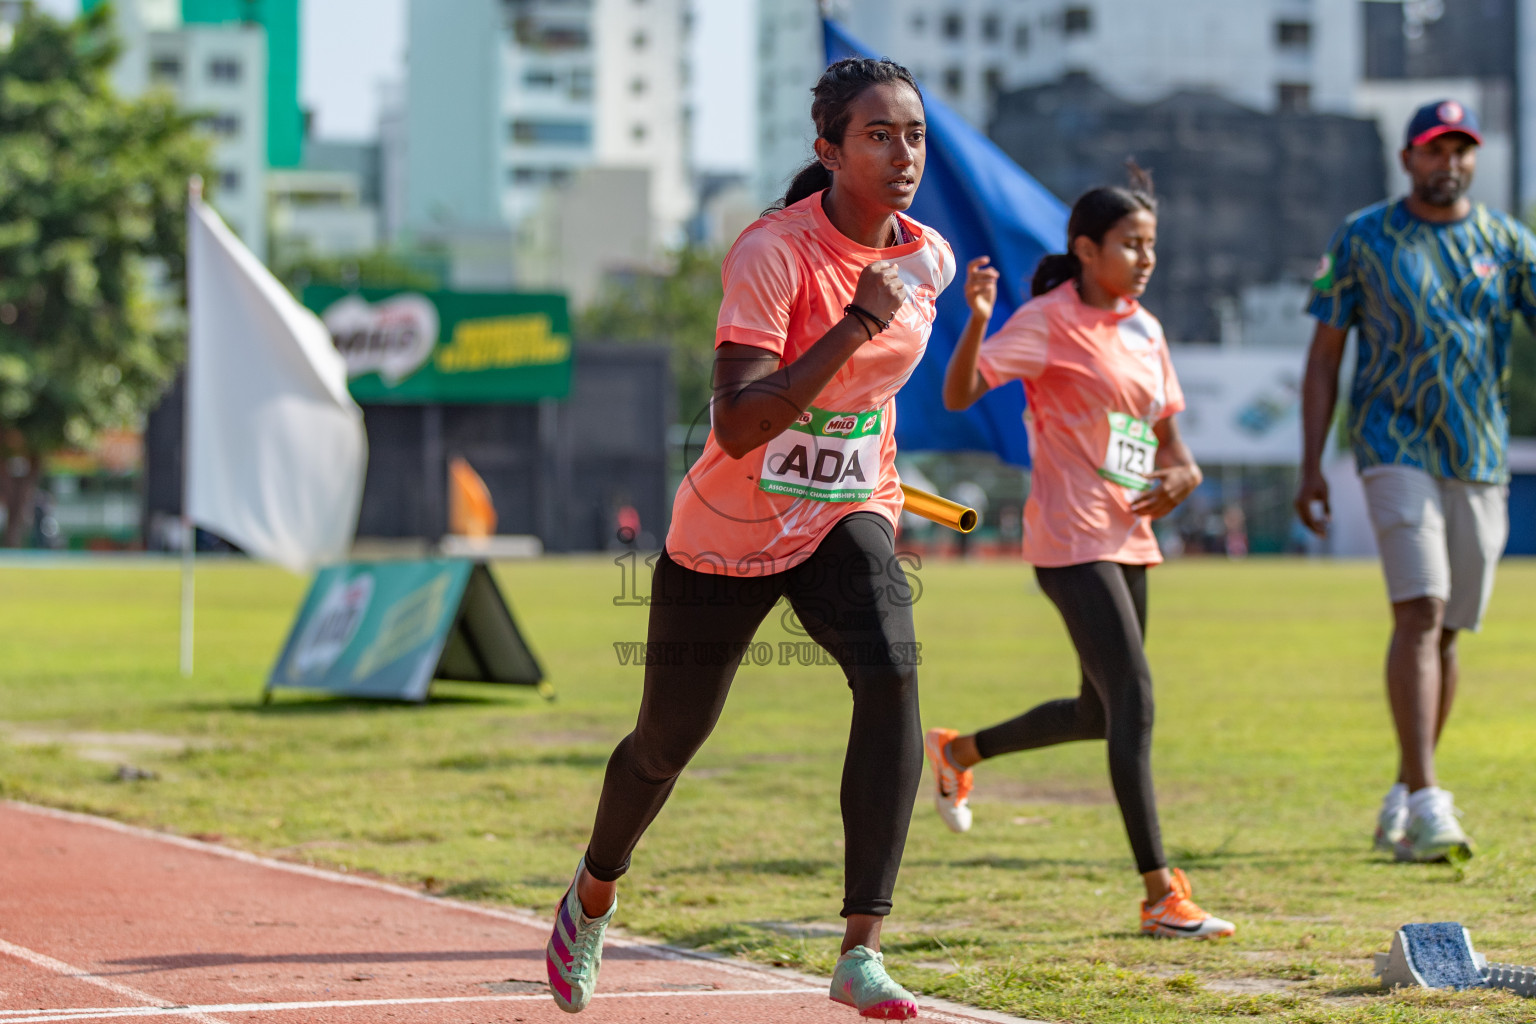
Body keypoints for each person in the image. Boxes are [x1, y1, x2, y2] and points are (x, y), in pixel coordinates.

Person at [545, 57, 954, 1020]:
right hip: (729, 527)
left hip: (844, 514)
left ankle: (861, 949)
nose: (903, 155)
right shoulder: (773, 253)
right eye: (879, 136)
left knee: (893, 670)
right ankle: (593, 893)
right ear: (829, 150)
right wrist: (855, 322)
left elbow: (875, 403)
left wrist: (882, 504)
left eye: (915, 136)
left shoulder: (925, 258)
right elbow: (735, 425)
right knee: (666, 742)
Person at [927, 170, 1236, 940]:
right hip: (1069, 537)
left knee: (1099, 711)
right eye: (1130, 244)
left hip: (1132, 534)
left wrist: (1183, 474)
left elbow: (1172, 445)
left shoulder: (1145, 329)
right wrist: (975, 321)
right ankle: (1161, 893)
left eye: (1151, 246)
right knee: (1135, 697)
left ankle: (959, 749)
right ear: (1086, 248)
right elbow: (962, 393)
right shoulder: (1046, 321)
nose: (1144, 258)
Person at [1294, 99, 1536, 863]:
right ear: (1408, 159)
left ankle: (1406, 790)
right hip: (1393, 444)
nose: (1450, 163)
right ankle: (1432, 800)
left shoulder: (1506, 242)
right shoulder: (1365, 237)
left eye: (1462, 150)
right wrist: (1310, 463)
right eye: (1435, 150)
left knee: (1451, 628)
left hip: (1481, 454)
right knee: (1421, 609)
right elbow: (1325, 358)